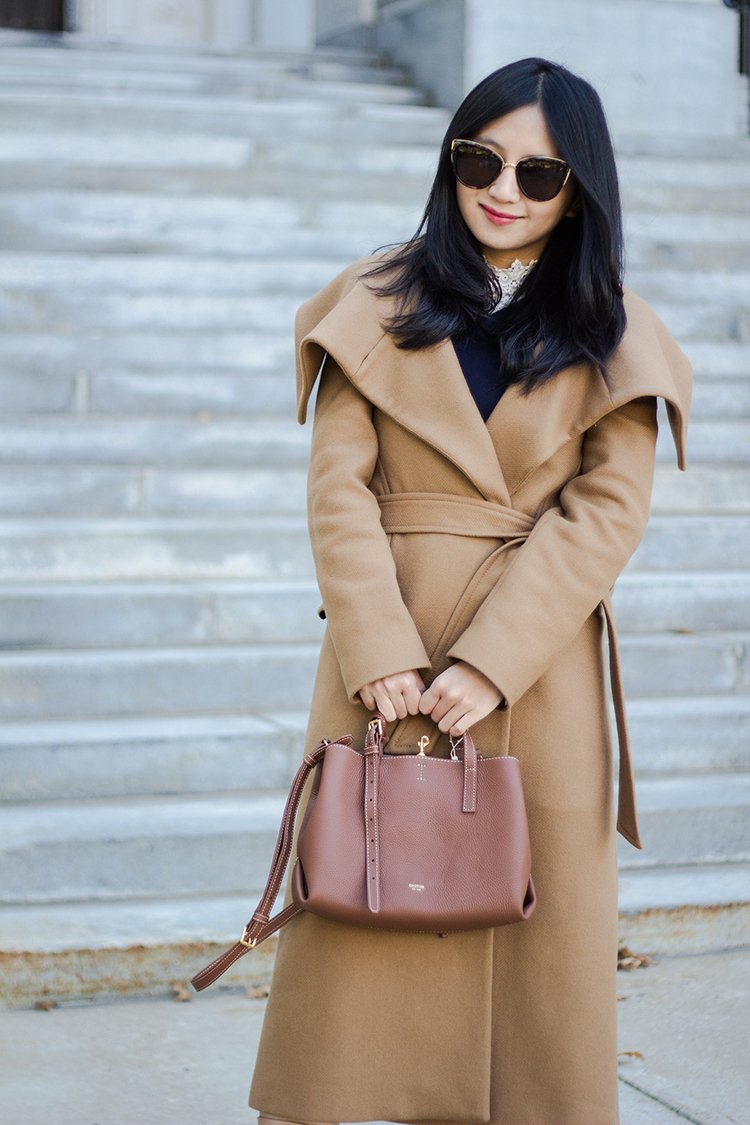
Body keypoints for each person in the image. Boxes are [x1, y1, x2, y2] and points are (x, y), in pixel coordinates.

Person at [249, 57, 691, 1125]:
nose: (504, 189)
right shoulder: (377, 300)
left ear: (579, 188)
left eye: (540, 174)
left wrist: (493, 662)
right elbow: (337, 493)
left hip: (537, 679)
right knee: (364, 904)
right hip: (386, 672)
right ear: (450, 160)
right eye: (480, 159)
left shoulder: (614, 329)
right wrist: (380, 649)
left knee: (534, 956)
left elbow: (606, 515)